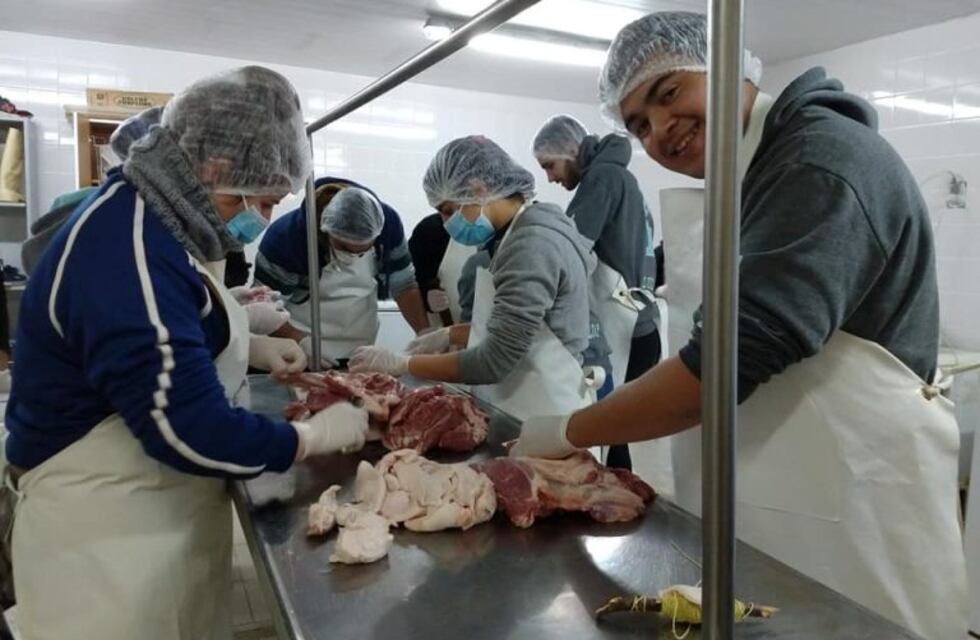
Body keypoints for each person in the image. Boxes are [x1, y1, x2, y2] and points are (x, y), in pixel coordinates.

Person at [510, 11, 967, 639]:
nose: (661, 130)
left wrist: (567, 430)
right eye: (639, 123)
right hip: (786, 496)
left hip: (855, 505)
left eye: (670, 94)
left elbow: (723, 363)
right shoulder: (750, 172)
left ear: (728, 66)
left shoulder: (818, 161)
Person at [3, 66, 370, 640]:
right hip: (106, 541)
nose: (263, 219)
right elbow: (186, 428)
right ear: (216, 169)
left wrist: (252, 342)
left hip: (151, 518)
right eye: (262, 199)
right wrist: (308, 439)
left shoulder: (153, 220)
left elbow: (171, 332)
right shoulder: (129, 245)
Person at [349, 135, 598, 420]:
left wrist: (405, 363)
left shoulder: (531, 244)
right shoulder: (524, 227)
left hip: (544, 412)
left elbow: (494, 359)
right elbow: (514, 325)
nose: (445, 223)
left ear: (479, 189)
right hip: (526, 401)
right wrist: (449, 333)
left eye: (447, 211)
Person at [532, 114, 660, 471]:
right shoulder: (623, 177)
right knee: (621, 429)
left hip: (624, 328)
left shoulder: (601, 179)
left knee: (611, 430)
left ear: (571, 149)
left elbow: (569, 256)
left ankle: (616, 508)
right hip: (643, 325)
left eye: (550, 165)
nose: (551, 177)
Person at [255, 176, 428, 366]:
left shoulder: (388, 225)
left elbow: (404, 285)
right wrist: (302, 342)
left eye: (364, 251)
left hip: (359, 349)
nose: (354, 257)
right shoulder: (286, 238)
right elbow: (265, 308)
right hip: (296, 349)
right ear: (325, 231)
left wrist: (425, 334)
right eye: (345, 248)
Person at [407, 206, 476, 328]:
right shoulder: (430, 231)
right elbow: (409, 282)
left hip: (496, 331)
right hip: (443, 331)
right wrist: (425, 295)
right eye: (448, 211)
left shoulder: (497, 225)